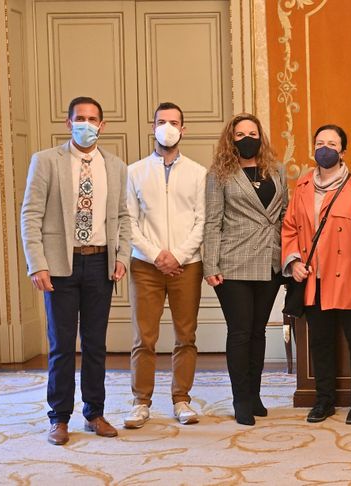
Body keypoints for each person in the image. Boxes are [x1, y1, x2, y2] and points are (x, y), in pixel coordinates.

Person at [20, 96, 131, 445]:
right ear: (68, 123)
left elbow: (124, 217)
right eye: (79, 118)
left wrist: (122, 256)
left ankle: (94, 413)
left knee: (96, 345)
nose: (86, 124)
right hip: (61, 266)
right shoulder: (46, 162)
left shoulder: (115, 166)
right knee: (62, 345)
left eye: (92, 118)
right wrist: (37, 263)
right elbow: (30, 215)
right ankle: (59, 417)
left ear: (102, 125)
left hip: (100, 263)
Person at [281, 124, 351, 425]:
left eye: (332, 143)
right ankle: (323, 400)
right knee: (320, 342)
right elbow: (290, 228)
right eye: (320, 142)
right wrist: (294, 262)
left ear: (343, 151)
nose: (325, 148)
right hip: (315, 278)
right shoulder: (304, 185)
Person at [124, 102, 207, 429]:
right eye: (162, 121)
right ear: (153, 126)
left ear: (183, 129)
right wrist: (156, 254)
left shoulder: (199, 173)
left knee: (185, 335)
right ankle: (140, 401)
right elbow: (128, 221)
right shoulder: (135, 172)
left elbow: (202, 220)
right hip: (146, 265)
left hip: (187, 265)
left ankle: (181, 398)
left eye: (174, 122)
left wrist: (179, 255)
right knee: (143, 337)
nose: (167, 127)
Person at [204, 113, 287, 426]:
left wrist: (287, 257)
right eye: (240, 134)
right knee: (240, 332)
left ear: (261, 137)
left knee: (258, 331)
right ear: (231, 139)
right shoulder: (219, 174)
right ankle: (240, 399)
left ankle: (255, 394)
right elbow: (213, 221)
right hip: (233, 264)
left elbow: (285, 215)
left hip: (269, 261)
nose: (247, 138)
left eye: (252, 132)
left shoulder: (276, 170)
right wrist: (210, 264)